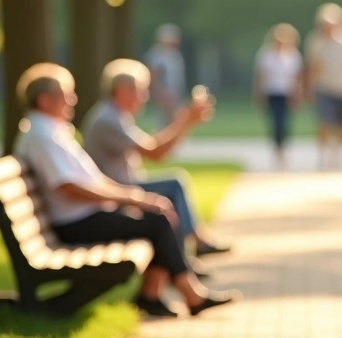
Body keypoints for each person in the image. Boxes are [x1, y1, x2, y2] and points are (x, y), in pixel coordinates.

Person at [13, 63, 238, 317]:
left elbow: (92, 179)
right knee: (158, 221)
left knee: (158, 214)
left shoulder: (50, 131)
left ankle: (159, 294)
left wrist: (137, 197)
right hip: (75, 223)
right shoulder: (43, 135)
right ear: (44, 100)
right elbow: (69, 186)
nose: (73, 100)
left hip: (80, 217)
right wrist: (134, 197)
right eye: (66, 94)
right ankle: (186, 294)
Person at [82, 58, 231, 258]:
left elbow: (152, 146)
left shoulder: (114, 115)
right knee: (173, 187)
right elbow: (155, 153)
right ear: (122, 90)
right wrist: (185, 122)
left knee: (172, 187)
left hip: (122, 188)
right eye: (140, 90)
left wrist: (183, 122)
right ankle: (189, 255)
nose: (145, 96)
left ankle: (189, 254)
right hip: (117, 193)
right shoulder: (108, 120)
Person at [304, 3, 342, 169]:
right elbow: (312, 66)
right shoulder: (315, 41)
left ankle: (338, 152)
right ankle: (323, 155)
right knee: (324, 122)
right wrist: (310, 87)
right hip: (324, 87)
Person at [253, 23, 304, 166]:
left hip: (287, 93)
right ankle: (277, 148)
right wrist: (259, 94)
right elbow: (260, 76)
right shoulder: (266, 54)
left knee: (285, 121)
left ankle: (283, 147)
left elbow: (296, 77)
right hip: (271, 92)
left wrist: (298, 94)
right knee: (275, 121)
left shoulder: (293, 55)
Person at [144, 24, 186, 130]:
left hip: (175, 93)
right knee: (164, 123)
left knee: (174, 122)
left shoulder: (175, 54)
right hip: (164, 94)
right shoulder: (156, 54)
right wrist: (159, 94)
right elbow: (153, 77)